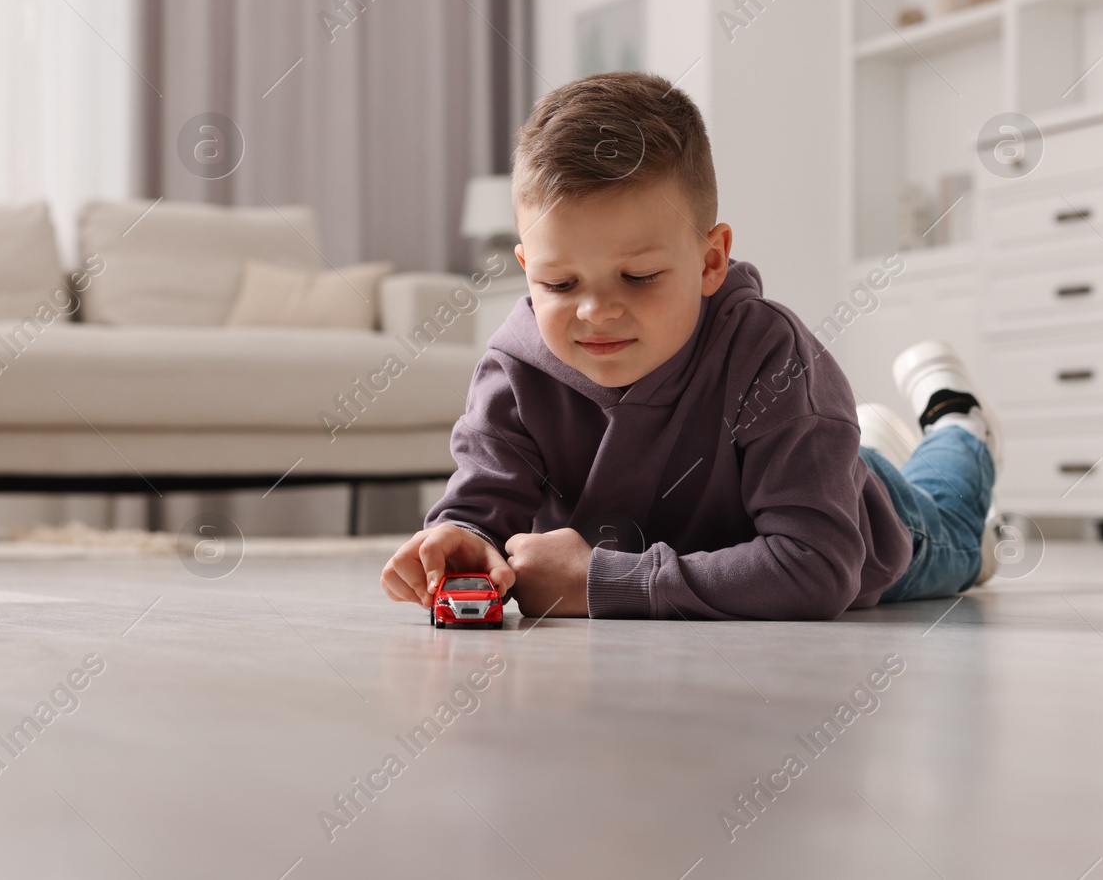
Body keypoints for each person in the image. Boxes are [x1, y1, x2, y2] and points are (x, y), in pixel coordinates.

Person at [379, 71, 1000, 620]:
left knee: (960, 536)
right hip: (808, 456)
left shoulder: (772, 356)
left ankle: (956, 422)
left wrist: (602, 585)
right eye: (559, 283)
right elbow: (483, 501)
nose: (595, 312)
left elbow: (815, 568)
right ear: (525, 270)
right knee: (847, 451)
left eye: (640, 277)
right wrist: (462, 536)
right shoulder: (512, 372)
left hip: (865, 524)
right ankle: (863, 441)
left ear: (711, 261)